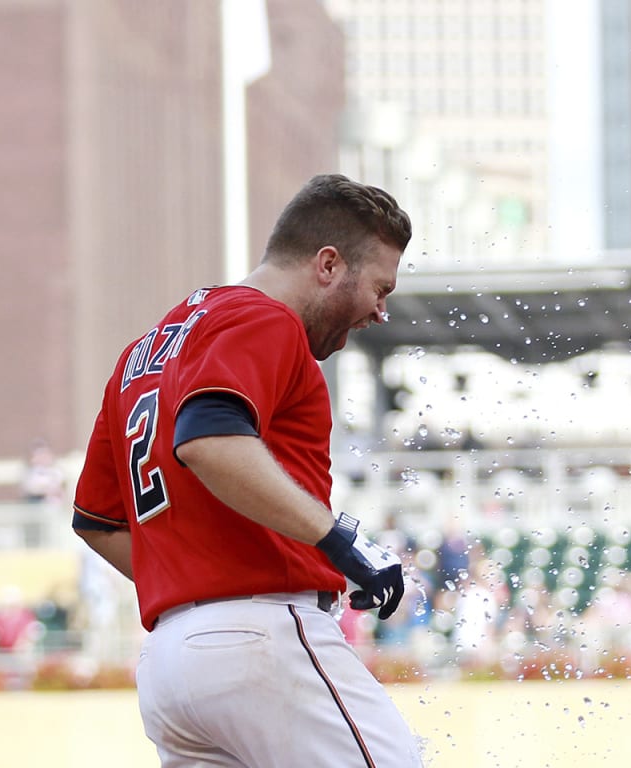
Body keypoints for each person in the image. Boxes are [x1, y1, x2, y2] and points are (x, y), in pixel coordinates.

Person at [70, 174, 421, 767]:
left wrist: (199, 589)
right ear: (328, 264)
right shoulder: (265, 318)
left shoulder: (141, 352)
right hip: (262, 638)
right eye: (380, 288)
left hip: (171, 666)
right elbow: (209, 437)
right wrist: (338, 541)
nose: (380, 311)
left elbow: (96, 521)